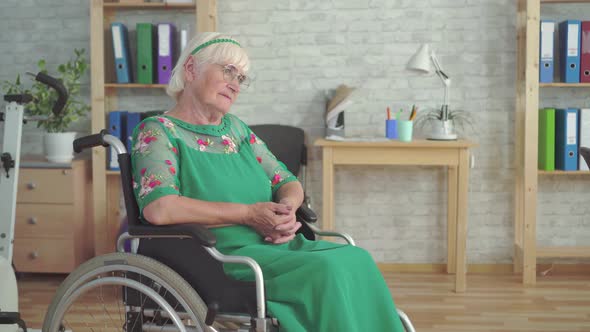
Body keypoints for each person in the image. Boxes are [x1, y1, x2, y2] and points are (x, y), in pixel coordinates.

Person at [130, 32, 405, 332]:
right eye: (227, 71)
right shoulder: (157, 132)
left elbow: (287, 181)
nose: (235, 83)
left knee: (356, 259)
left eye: (241, 77)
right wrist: (249, 215)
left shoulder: (235, 130)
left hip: (276, 246)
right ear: (191, 69)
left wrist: (287, 209)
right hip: (224, 260)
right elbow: (160, 209)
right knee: (328, 270)